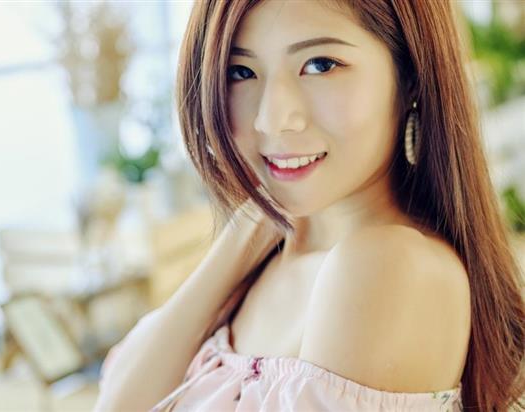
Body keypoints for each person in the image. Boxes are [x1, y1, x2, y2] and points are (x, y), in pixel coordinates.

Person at [93, 1, 525, 411]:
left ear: (409, 73)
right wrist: (242, 234)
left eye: (320, 65)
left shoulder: (388, 266)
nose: (272, 119)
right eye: (241, 72)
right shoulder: (265, 255)